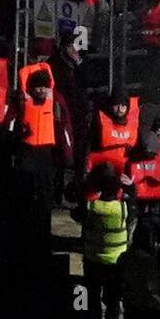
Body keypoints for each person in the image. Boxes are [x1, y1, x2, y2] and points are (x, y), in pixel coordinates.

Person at [8, 63, 72, 251]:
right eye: (37, 87)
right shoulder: (21, 100)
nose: (41, 90)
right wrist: (14, 139)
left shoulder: (56, 100)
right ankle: (25, 234)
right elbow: (10, 123)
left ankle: (44, 236)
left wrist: (66, 154)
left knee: (46, 198)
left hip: (47, 154)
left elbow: (65, 128)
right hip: (26, 152)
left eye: (44, 86)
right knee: (26, 195)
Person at [74, 162, 131, 319]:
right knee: (113, 301)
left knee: (92, 299)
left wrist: (87, 189)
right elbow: (135, 200)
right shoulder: (123, 209)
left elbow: (75, 212)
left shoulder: (91, 208)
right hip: (116, 264)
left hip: (93, 261)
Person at [50, 31, 93, 197]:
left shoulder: (80, 63)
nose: (74, 49)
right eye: (70, 46)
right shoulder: (55, 64)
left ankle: (78, 190)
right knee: (60, 152)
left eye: (76, 46)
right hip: (62, 113)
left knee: (80, 153)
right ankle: (57, 190)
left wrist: (79, 63)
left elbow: (89, 80)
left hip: (79, 114)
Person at [126, 131, 160, 233]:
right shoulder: (133, 155)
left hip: (156, 197)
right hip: (138, 196)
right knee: (136, 220)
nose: (148, 156)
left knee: (153, 220)